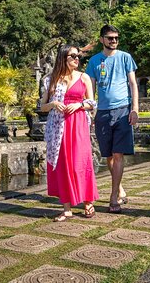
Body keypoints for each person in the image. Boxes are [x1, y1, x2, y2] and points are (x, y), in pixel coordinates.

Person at [41, 44, 99, 221]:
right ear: (63, 58)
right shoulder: (51, 79)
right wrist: (53, 104)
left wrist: (80, 104)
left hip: (78, 122)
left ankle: (88, 202)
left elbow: (92, 103)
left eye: (77, 56)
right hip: (58, 126)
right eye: (72, 56)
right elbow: (42, 107)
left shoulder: (84, 77)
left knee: (80, 162)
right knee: (63, 164)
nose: (76, 59)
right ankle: (66, 208)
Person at [85, 24, 139, 213]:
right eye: (110, 38)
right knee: (107, 155)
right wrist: (91, 109)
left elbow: (133, 84)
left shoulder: (125, 57)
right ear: (102, 39)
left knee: (118, 154)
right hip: (103, 113)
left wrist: (135, 109)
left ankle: (114, 195)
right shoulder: (94, 61)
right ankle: (120, 187)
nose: (113, 41)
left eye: (116, 38)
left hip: (123, 110)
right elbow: (90, 86)